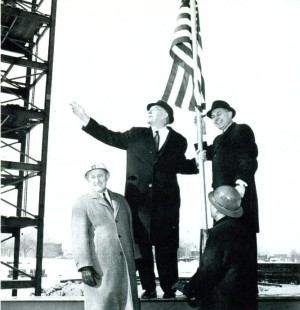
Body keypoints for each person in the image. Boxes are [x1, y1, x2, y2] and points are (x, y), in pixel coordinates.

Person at [70, 100, 199, 299]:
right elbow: (110, 136)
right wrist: (86, 119)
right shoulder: (136, 135)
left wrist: (197, 162)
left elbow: (180, 166)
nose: (149, 111)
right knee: (142, 246)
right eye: (148, 109)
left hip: (167, 203)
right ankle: (149, 288)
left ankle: (169, 288)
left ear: (166, 116)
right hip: (138, 203)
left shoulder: (178, 141)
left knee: (166, 246)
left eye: (154, 109)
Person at [199, 100, 259, 306]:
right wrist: (200, 130)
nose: (216, 118)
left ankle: (243, 300)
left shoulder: (241, 131)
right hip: (221, 206)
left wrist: (240, 184)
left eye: (219, 114)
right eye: (212, 116)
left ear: (230, 113)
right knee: (224, 257)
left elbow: (248, 157)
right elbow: (208, 150)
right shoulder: (219, 139)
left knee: (241, 256)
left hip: (237, 203)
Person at [173, 186, 257, 310]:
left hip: (221, 302)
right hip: (243, 302)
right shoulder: (244, 231)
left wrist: (189, 289)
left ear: (218, 210)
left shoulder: (218, 232)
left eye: (212, 204)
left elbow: (208, 269)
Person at [71, 162, 140, 310]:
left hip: (125, 267)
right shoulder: (81, 203)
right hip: (100, 269)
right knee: (102, 305)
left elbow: (130, 230)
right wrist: (84, 267)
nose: (97, 180)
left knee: (127, 304)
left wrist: (135, 257)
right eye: (92, 177)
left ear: (107, 176)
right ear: (88, 180)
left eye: (100, 176)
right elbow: (78, 237)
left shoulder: (120, 200)